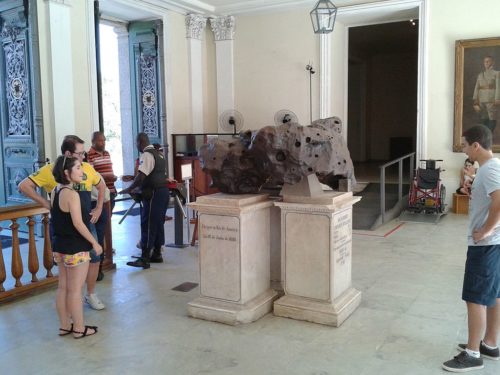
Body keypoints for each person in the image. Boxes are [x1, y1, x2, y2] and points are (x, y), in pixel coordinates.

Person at [18, 135, 107, 310]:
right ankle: (71, 303)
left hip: (86, 223)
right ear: (68, 153)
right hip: (64, 227)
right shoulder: (50, 170)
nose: (84, 157)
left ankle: (90, 294)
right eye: (80, 154)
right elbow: (24, 185)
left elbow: (101, 184)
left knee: (94, 258)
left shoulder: (87, 168)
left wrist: (98, 208)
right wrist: (45, 203)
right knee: (67, 269)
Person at [442, 125, 500, 372]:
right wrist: (472, 188)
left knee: (475, 297)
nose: (464, 149)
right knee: (493, 294)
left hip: (486, 244)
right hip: (493, 244)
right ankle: (490, 343)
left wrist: (486, 230)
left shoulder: (490, 169)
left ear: (476, 145)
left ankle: (473, 353)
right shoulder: (489, 169)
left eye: (465, 145)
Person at [51, 155, 102, 339]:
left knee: (63, 287)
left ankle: (65, 326)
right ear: (67, 172)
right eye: (78, 168)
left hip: (60, 246)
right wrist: (95, 243)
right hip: (76, 247)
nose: (82, 171)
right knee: (75, 290)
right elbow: (79, 224)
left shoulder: (56, 191)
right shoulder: (71, 194)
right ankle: (79, 328)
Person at [119, 133, 170, 269]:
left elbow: (141, 176)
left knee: (148, 223)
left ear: (139, 142)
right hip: (163, 192)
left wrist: (129, 189)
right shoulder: (159, 154)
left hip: (153, 193)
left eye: (136, 143)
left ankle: (144, 258)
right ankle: (157, 254)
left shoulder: (147, 155)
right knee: (158, 223)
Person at [87, 131, 117, 281]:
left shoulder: (106, 153)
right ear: (93, 141)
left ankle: (106, 253)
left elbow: (108, 170)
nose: (103, 143)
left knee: (106, 227)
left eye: (104, 140)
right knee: (98, 230)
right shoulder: (89, 155)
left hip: (110, 193)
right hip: (97, 197)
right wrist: (108, 177)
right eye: (100, 141)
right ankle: (97, 264)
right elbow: (93, 175)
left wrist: (113, 181)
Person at [473, 56, 500, 133]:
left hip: (491, 99)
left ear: (492, 62)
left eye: (488, 61)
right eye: (485, 61)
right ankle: (484, 135)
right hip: (481, 99)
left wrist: (497, 98)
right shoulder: (480, 75)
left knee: (492, 118)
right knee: (483, 118)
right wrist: (475, 100)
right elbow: (477, 87)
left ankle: (489, 135)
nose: (486, 63)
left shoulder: (497, 73)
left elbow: (498, 87)